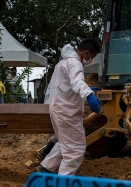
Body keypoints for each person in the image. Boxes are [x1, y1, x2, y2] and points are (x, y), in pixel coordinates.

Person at [38, 38, 102, 175]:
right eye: (93, 56)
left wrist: (87, 89)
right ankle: (64, 184)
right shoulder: (75, 63)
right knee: (76, 148)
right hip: (67, 112)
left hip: (57, 109)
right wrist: (89, 94)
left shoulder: (63, 63)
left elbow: (65, 86)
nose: (91, 59)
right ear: (87, 52)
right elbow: (77, 82)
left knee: (65, 142)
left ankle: (47, 167)